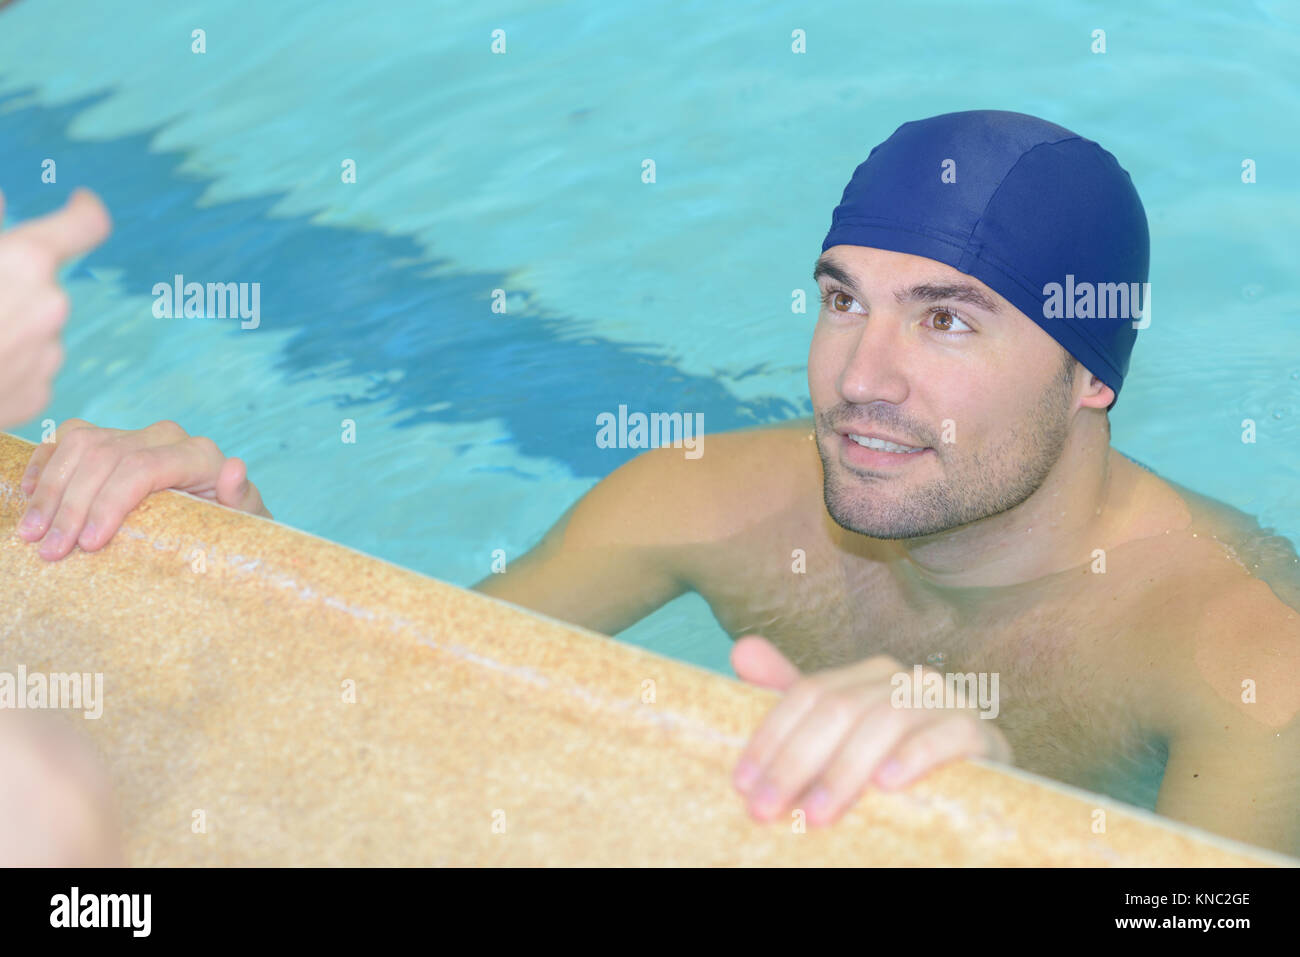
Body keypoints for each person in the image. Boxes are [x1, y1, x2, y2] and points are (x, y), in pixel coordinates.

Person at [12, 112, 1299, 856]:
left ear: (1090, 377)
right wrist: (237, 557)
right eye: (843, 300)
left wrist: (999, 817)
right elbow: (414, 694)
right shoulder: (694, 503)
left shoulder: (1239, 656)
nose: (863, 377)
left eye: (949, 322)